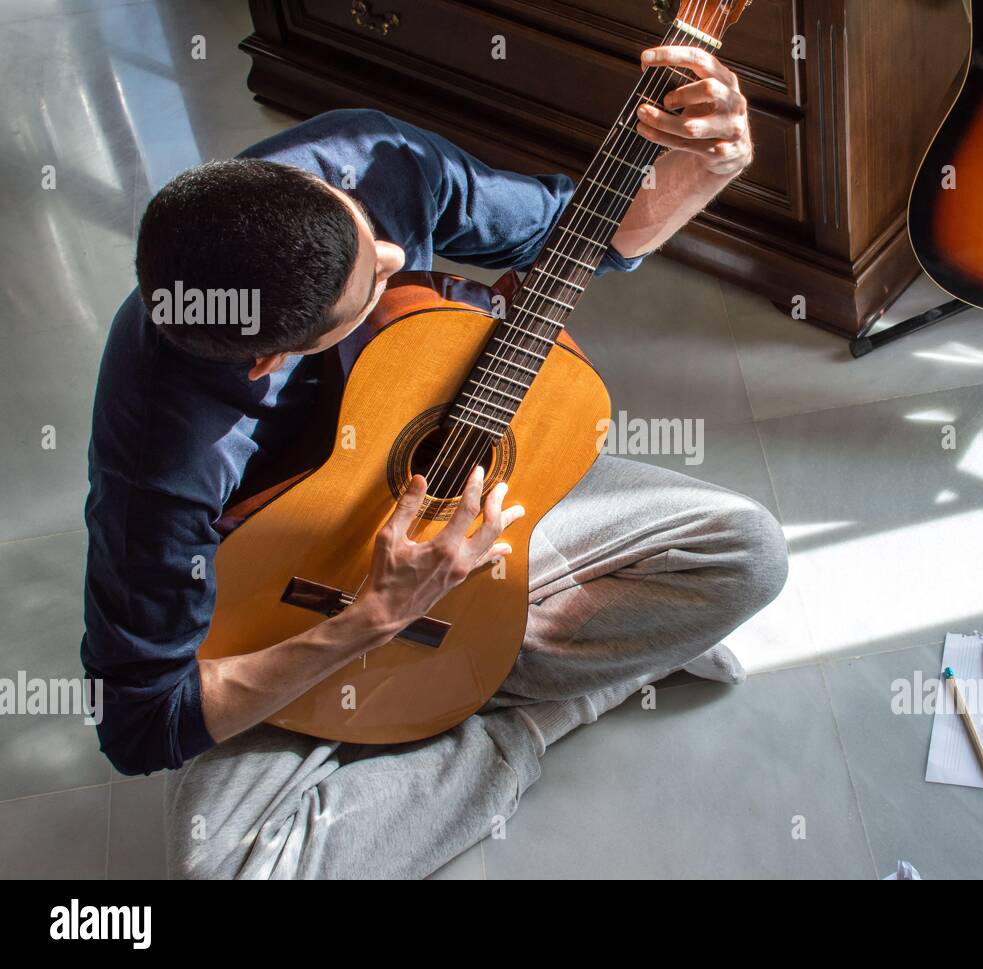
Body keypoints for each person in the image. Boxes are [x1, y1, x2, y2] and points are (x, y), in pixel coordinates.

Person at [82, 45, 788, 878]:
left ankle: (447, 709)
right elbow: (138, 724)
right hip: (291, 607)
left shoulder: (368, 165)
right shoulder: (161, 456)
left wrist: (709, 167)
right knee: (226, 872)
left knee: (748, 553)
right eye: (369, 288)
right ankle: (519, 726)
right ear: (268, 362)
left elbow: (582, 232)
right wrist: (374, 618)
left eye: (371, 237)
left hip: (465, 499)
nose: (393, 257)